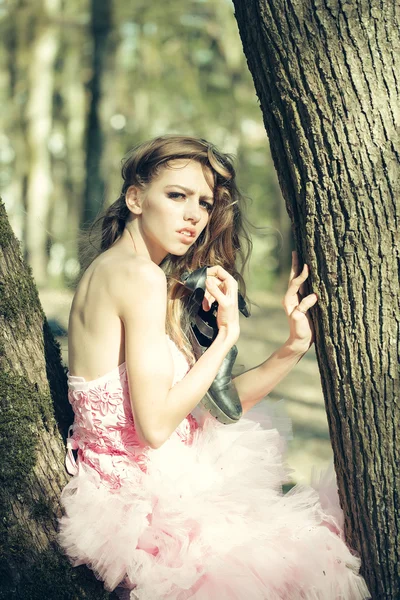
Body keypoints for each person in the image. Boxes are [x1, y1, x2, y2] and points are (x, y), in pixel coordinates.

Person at [57, 134, 370, 599]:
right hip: (147, 508)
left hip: (165, 481)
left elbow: (199, 408)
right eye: (176, 195)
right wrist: (225, 339)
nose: (193, 216)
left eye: (203, 203)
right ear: (135, 198)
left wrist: (292, 347)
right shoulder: (136, 276)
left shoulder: (127, 272)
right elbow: (156, 427)